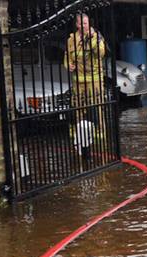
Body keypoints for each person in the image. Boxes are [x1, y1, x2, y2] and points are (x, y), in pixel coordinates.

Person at [66, 14, 107, 155]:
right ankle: (78, 133)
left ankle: (99, 132)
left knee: (96, 105)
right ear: (77, 25)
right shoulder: (71, 40)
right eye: (81, 24)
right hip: (78, 79)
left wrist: (92, 39)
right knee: (78, 106)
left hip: (94, 78)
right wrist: (68, 65)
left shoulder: (96, 36)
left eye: (86, 23)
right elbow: (67, 57)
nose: (84, 26)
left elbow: (101, 53)